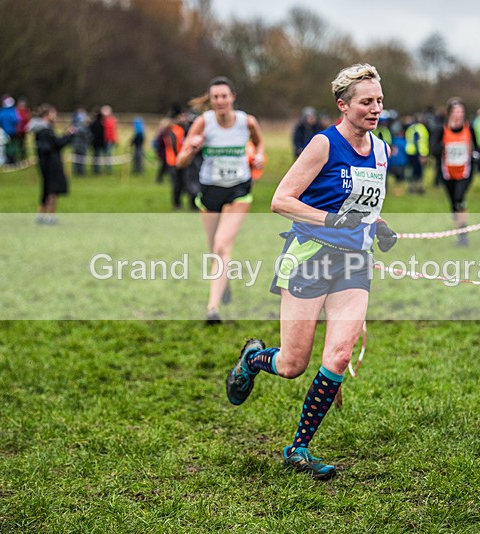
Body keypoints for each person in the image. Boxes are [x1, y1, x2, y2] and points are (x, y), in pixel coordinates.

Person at [223, 63, 397, 480]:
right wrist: (329, 220)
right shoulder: (322, 144)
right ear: (343, 105)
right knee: (292, 364)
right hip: (309, 256)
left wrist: (380, 225)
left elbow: (366, 207)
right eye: (366, 102)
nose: (376, 109)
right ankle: (252, 359)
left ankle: (298, 447)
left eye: (379, 101)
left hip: (354, 264)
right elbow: (281, 200)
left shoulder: (382, 150)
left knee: (337, 355)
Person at [176, 76, 265, 323]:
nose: (220, 101)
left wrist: (258, 157)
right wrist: (192, 147)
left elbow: (259, 145)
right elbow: (179, 162)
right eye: (215, 97)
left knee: (222, 246)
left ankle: (212, 309)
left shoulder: (247, 122)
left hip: (239, 190)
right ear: (210, 100)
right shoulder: (203, 124)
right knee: (213, 248)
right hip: (210, 191)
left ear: (232, 97)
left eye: (224, 96)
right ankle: (223, 284)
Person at [431, 97, 475, 247]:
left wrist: (478, 159)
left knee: (459, 198)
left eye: (461, 111)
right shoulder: (441, 130)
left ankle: (463, 234)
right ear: (449, 113)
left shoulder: (469, 128)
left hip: (465, 172)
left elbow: (476, 147)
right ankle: (460, 233)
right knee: (453, 203)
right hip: (448, 173)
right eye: (456, 111)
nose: (459, 114)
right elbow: (434, 151)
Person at [29, 104, 74, 224]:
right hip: (50, 163)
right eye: (53, 113)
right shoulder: (44, 130)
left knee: (46, 188)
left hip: (45, 162)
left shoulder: (41, 129)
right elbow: (54, 145)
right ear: (46, 115)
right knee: (52, 189)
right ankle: (50, 215)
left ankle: (41, 215)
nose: (55, 115)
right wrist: (68, 136)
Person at [405, 114, 429, 194]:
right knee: (418, 171)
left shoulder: (410, 128)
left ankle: (411, 187)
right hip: (418, 153)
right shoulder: (421, 129)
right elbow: (417, 141)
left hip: (410, 152)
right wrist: (421, 155)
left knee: (411, 170)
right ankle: (418, 187)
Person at [0, 95, 19, 164]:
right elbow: (16, 120)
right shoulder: (13, 111)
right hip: (12, 132)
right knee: (12, 146)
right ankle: (12, 160)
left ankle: (7, 160)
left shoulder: (2, 111)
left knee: (5, 146)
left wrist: (2, 125)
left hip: (4, 132)